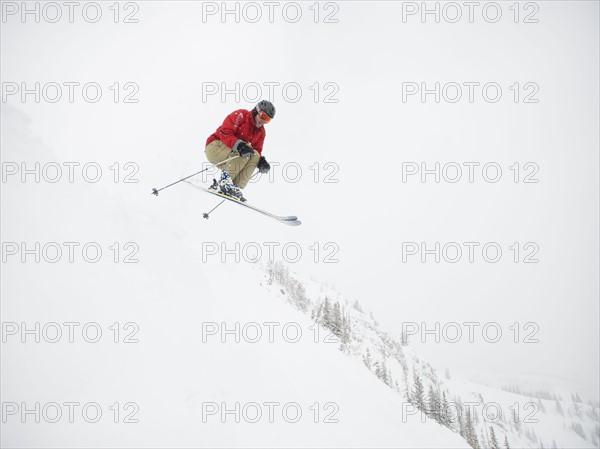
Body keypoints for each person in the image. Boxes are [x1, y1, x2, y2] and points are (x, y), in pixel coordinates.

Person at [205, 100, 274, 202]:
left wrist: (261, 163)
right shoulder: (241, 115)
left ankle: (234, 186)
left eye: (268, 119)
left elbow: (257, 151)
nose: (264, 121)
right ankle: (225, 181)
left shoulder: (261, 132)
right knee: (246, 150)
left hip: (232, 157)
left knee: (255, 155)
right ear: (257, 111)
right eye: (263, 116)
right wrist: (239, 145)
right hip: (215, 147)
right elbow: (225, 132)